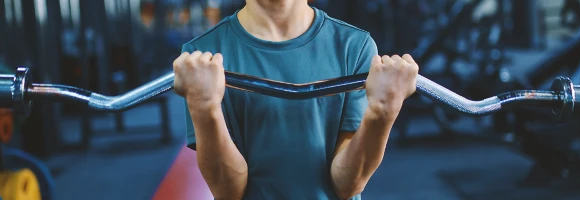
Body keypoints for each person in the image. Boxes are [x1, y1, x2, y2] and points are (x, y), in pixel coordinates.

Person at [172, 0, 419, 199]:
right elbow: (228, 192)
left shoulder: (354, 47)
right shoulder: (202, 56)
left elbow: (347, 184)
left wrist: (383, 112)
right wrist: (205, 108)